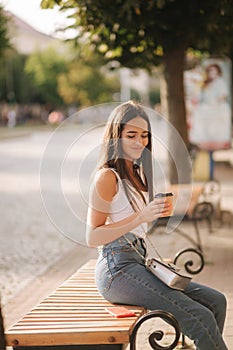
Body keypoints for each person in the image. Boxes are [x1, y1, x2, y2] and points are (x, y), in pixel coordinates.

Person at [86, 100, 228, 350]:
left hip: (137, 260)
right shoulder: (107, 176)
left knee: (216, 301)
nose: (139, 142)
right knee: (200, 317)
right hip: (116, 270)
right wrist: (140, 217)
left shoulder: (137, 172)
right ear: (115, 137)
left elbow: (134, 223)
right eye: (131, 135)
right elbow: (92, 235)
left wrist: (155, 213)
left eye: (144, 135)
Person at [189, 62, 231, 148]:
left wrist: (215, 103)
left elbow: (223, 95)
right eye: (210, 71)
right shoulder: (205, 83)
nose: (212, 74)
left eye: (214, 72)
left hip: (216, 106)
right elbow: (200, 95)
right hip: (206, 105)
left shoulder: (220, 82)